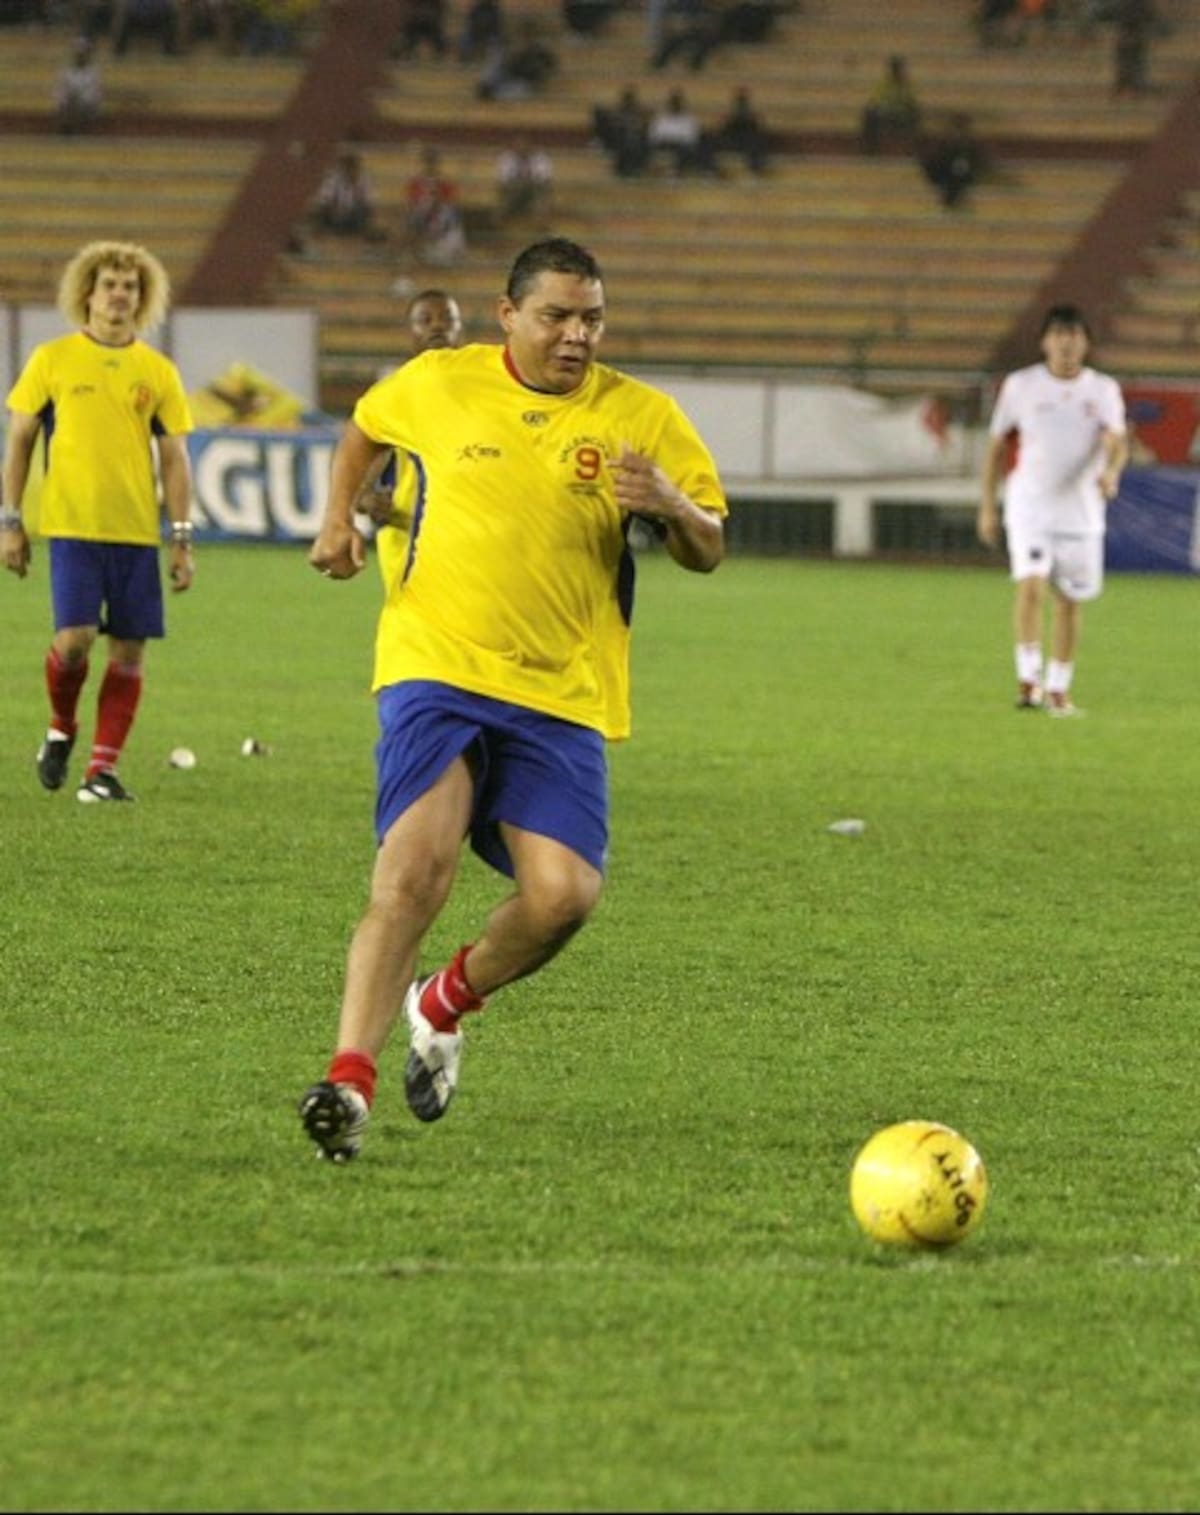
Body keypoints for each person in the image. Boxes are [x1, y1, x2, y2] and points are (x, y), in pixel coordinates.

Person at [298, 236, 727, 1161]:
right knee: (415, 869)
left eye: (592, 319)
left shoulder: (640, 415)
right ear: (508, 315)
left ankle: (446, 999)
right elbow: (366, 425)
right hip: (435, 665)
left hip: (561, 692)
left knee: (565, 896)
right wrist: (339, 515)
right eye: (557, 317)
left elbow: (711, 544)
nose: (577, 336)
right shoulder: (439, 381)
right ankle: (347, 1082)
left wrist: (670, 505)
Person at [1, 240, 196, 802]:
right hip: (73, 526)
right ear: (87, 293)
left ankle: (100, 772)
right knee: (77, 638)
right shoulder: (52, 360)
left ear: (143, 298)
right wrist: (9, 520)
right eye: (109, 284)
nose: (119, 295)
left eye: (130, 287)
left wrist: (181, 538)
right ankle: (61, 727)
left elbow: (175, 459)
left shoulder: (156, 371)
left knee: (130, 652)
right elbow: (18, 441)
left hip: (135, 531)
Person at [977, 304, 1128, 716]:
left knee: (1068, 601)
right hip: (1030, 507)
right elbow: (995, 445)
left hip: (1080, 513)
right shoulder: (1020, 386)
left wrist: (1111, 472)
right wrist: (988, 506)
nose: (1066, 342)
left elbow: (1117, 441)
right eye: (1059, 334)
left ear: (1086, 343)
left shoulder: (1102, 390)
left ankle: (1059, 688)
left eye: (1074, 335)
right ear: (1045, 341)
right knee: (1030, 586)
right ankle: (1029, 681)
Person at [353, 288, 465, 594]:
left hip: (471, 536)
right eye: (424, 320)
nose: (437, 326)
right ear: (410, 332)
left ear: (461, 329)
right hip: (411, 535)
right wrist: (366, 499)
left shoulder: (485, 389)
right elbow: (363, 456)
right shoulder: (395, 393)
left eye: (447, 319)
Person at [405, 144, 467, 265]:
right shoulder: (416, 182)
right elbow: (411, 204)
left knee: (449, 222)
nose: (431, 164)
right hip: (421, 216)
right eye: (428, 161)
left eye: (433, 161)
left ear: (437, 162)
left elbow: (452, 205)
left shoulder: (445, 183)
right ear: (424, 162)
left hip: (441, 218)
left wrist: (437, 204)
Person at [918, 112, 987, 209]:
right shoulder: (947, 142)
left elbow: (976, 158)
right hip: (949, 170)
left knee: (959, 169)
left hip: (955, 171)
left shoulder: (966, 144)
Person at [859, 54, 921, 154]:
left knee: (915, 114)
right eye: (894, 68)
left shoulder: (907, 84)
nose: (896, 71)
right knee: (869, 114)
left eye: (897, 68)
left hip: (901, 114)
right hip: (886, 113)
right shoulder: (883, 84)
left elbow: (911, 101)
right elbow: (876, 100)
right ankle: (870, 148)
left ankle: (912, 148)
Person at [715, 84, 770, 175]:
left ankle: (757, 165)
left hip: (743, 143)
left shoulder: (749, 118)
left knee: (755, 143)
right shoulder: (734, 118)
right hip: (739, 143)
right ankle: (757, 165)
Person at [495, 137, 554, 222]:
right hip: (513, 187)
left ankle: (540, 220)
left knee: (542, 190)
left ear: (530, 147)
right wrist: (518, 183)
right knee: (504, 190)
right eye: (518, 147)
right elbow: (503, 178)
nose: (522, 149)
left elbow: (544, 178)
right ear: (514, 148)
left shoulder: (540, 158)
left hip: (534, 187)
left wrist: (527, 182)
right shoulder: (507, 157)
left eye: (525, 147)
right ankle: (500, 218)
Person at [55, 35, 102, 134]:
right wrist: (66, 100)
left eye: (82, 54)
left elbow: (95, 95)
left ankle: (75, 128)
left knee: (78, 105)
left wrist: (78, 99)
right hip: (69, 106)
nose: (80, 57)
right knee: (67, 105)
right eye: (78, 54)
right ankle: (68, 128)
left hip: (86, 108)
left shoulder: (93, 73)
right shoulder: (65, 71)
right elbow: (60, 92)